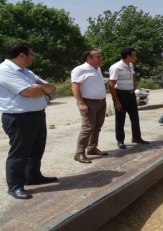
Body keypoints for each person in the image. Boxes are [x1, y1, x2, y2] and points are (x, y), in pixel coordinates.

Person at [0, 43, 58, 199]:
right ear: (21, 55)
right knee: (20, 153)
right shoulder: (5, 71)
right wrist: (38, 89)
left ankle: (33, 176)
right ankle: (15, 186)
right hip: (19, 118)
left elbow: (51, 87)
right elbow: (29, 92)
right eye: (31, 54)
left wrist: (39, 88)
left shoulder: (27, 72)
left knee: (36, 149)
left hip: (37, 115)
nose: (34, 56)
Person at [71, 50, 109, 164]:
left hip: (101, 102)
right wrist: (81, 103)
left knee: (97, 126)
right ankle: (79, 153)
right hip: (88, 102)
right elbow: (75, 87)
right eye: (98, 57)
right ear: (89, 58)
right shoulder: (80, 69)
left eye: (100, 56)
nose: (100, 58)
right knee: (87, 127)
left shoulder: (98, 69)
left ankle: (92, 148)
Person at [109, 48, 149, 149]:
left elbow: (133, 74)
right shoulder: (116, 67)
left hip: (131, 94)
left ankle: (136, 137)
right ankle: (120, 140)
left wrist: (135, 82)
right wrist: (117, 101)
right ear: (128, 56)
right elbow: (111, 85)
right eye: (134, 55)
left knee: (135, 117)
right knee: (120, 119)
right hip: (120, 94)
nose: (136, 57)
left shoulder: (130, 65)